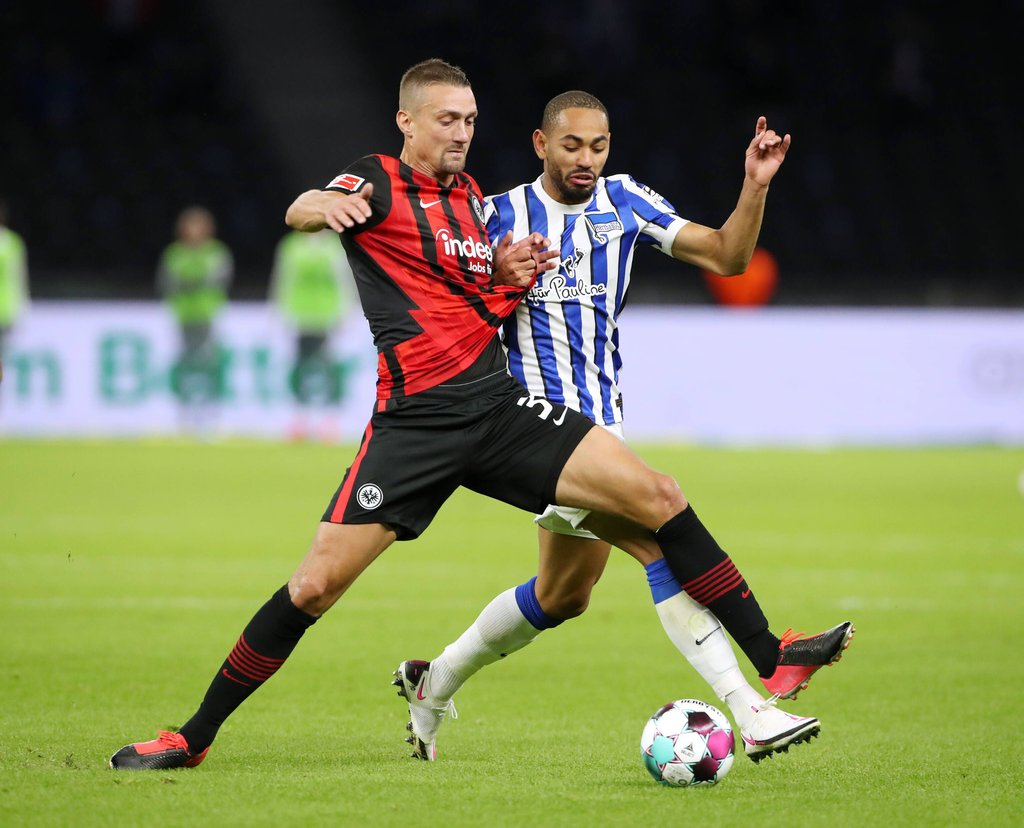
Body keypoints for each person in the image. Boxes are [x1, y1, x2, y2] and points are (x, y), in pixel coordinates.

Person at [110, 59, 851, 771]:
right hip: (414, 426)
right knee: (313, 588)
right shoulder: (377, 179)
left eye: (468, 119)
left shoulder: (472, 204)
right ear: (407, 120)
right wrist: (319, 207)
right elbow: (304, 206)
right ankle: (194, 735)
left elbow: (472, 303)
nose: (461, 132)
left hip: (499, 411)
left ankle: (770, 658)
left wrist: (505, 277)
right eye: (446, 119)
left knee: (657, 502)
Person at [394, 92, 853, 764]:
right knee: (658, 540)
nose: (587, 159)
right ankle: (753, 703)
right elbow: (443, 309)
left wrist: (754, 186)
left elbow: (728, 257)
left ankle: (431, 682)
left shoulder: (625, 201)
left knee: (564, 594)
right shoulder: (496, 217)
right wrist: (492, 279)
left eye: (599, 146)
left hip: (603, 435)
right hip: (534, 435)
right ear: (540, 145)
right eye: (573, 145)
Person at [269, 228, 354, 441]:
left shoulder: (334, 246)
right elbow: (282, 279)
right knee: (300, 367)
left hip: (327, 316)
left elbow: (344, 280)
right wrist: (279, 310)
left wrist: (346, 310)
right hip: (301, 316)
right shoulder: (291, 245)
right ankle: (300, 417)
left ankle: (330, 418)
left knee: (329, 367)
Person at [157, 206, 233, 433]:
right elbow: (167, 283)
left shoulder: (216, 252)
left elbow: (219, 279)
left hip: (208, 314)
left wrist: (190, 281)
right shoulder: (175, 254)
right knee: (186, 363)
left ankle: (211, 411)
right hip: (184, 315)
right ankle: (184, 410)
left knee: (209, 363)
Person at [0, 199, 29, 386]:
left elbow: (20, 275)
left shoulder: (13, 243)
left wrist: (23, 304)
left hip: (6, 309)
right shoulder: (13, 242)